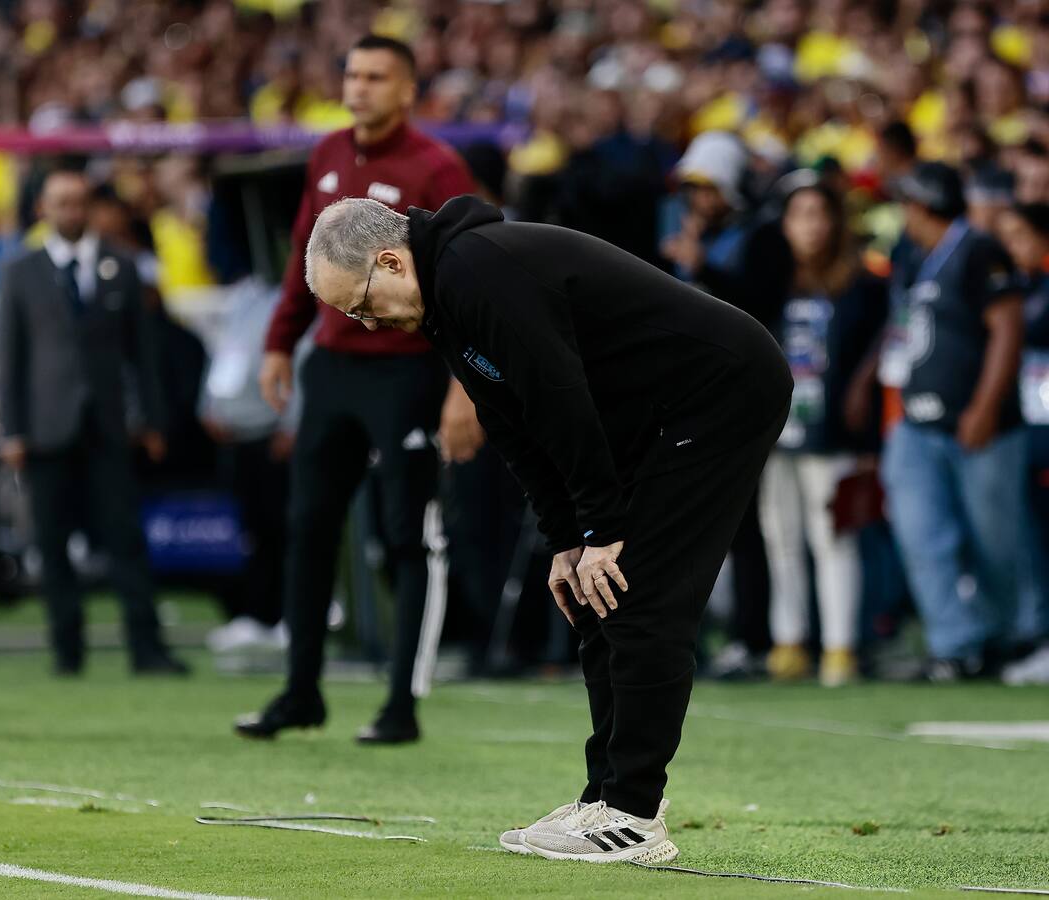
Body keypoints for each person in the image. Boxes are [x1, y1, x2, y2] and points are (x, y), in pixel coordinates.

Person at [304, 195, 791, 863]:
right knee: (597, 597)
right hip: (651, 409)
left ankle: (635, 815)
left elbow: (562, 401)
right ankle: (603, 797)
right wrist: (566, 540)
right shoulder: (445, 298)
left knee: (639, 593)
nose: (365, 324)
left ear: (390, 260)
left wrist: (601, 530)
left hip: (719, 390)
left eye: (361, 305)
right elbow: (514, 426)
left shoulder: (478, 273)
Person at [235, 35, 478, 745]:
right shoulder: (328, 154)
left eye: (376, 76)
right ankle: (300, 690)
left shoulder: (437, 166)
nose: (360, 87)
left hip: (406, 369)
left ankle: (402, 703)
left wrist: (464, 386)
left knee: (407, 537)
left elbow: (469, 278)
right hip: (334, 366)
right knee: (309, 527)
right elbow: (305, 259)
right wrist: (282, 339)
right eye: (352, 73)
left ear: (407, 91)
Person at [0, 168, 187, 676]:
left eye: (79, 202)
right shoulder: (20, 271)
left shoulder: (121, 266)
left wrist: (150, 419)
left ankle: (147, 650)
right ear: (43, 209)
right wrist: (11, 429)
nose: (72, 212)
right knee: (52, 544)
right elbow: (9, 357)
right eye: (61, 203)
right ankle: (67, 652)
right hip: (45, 426)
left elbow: (140, 355)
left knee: (126, 537)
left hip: (107, 426)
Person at [881, 161, 1027, 680]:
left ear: (919, 206)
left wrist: (985, 407)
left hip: (977, 422)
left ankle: (1005, 638)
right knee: (923, 535)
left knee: (995, 542)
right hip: (918, 423)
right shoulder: (916, 257)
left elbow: (1008, 328)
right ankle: (955, 645)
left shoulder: (979, 249)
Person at [660, 131, 791, 680]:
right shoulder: (680, 232)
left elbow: (757, 309)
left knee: (745, 524)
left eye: (708, 187)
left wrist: (701, 266)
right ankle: (696, 636)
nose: (699, 198)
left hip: (742, 394)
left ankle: (753, 636)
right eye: (693, 187)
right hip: (689, 394)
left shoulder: (761, 238)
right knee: (686, 523)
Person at [759, 173, 888, 686]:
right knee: (780, 537)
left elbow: (882, 343)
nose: (810, 226)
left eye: (819, 214)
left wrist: (864, 408)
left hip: (832, 431)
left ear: (836, 221)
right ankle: (788, 642)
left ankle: (840, 649)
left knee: (833, 537)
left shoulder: (863, 283)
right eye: (799, 215)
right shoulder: (768, 281)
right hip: (776, 431)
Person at [995, 202, 1049, 685]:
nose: (1011, 247)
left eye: (1018, 235)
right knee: (1030, 534)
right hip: (1031, 426)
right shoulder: (1024, 284)